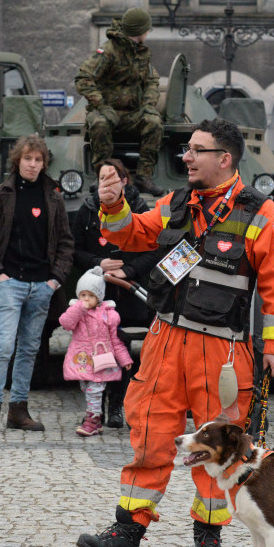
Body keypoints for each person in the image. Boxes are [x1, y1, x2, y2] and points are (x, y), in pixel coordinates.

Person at [76, 117, 274, 547]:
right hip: (164, 341)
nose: (187, 157)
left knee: (219, 445)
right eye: (188, 149)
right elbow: (130, 233)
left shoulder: (260, 212)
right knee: (150, 432)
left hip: (223, 352)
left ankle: (209, 538)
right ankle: (127, 533)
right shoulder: (178, 202)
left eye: (197, 150)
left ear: (225, 159)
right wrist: (114, 203)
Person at [0, 133, 74, 435]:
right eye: (27, 159)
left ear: (44, 163)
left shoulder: (54, 196)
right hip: (9, 283)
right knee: (3, 347)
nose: (32, 164)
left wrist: (55, 280)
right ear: (18, 161)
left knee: (29, 349)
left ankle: (18, 410)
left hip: (42, 286)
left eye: (38, 160)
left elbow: (66, 243)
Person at [71, 158, 157, 428]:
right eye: (101, 178)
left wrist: (128, 271)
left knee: (126, 350)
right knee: (101, 350)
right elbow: (74, 250)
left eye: (113, 177)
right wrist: (97, 264)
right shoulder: (87, 210)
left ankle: (121, 406)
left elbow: (153, 249)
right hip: (98, 292)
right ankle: (98, 408)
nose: (106, 183)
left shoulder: (140, 208)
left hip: (131, 292)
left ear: (124, 181)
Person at [75, 7, 165, 196]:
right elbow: (83, 78)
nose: (148, 33)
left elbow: (151, 81)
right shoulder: (109, 51)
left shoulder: (141, 53)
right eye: (147, 29)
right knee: (99, 124)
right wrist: (102, 106)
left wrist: (149, 105)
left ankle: (143, 177)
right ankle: (103, 176)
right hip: (106, 112)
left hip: (132, 114)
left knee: (154, 122)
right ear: (139, 31)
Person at [60, 266, 134, 437]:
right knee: (86, 388)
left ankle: (92, 420)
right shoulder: (77, 312)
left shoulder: (109, 315)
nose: (86, 299)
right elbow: (66, 323)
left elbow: (115, 340)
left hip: (102, 359)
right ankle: (97, 419)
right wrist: (79, 308)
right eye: (83, 295)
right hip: (82, 359)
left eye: (91, 296)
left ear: (99, 297)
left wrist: (124, 359)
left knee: (95, 389)